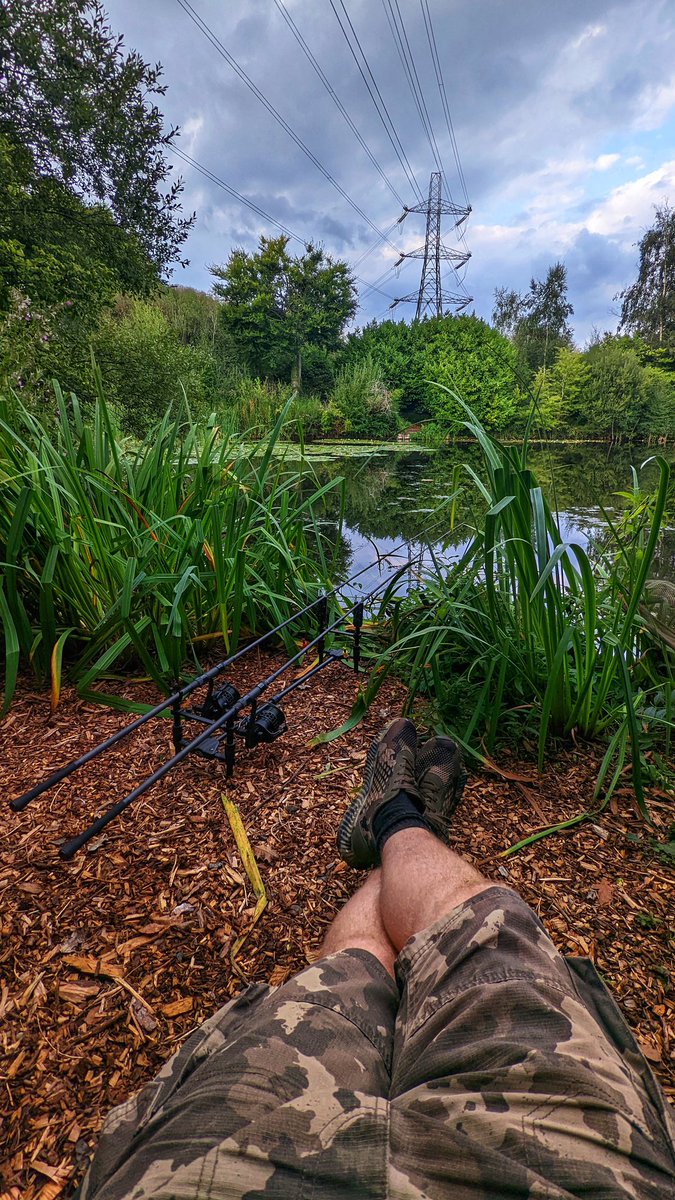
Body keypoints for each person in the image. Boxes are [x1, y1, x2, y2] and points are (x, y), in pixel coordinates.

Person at [77, 719, 675, 1199]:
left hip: (212, 1166)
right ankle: (405, 830)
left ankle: (394, 824)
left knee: (353, 974)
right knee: (488, 929)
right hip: (576, 1168)